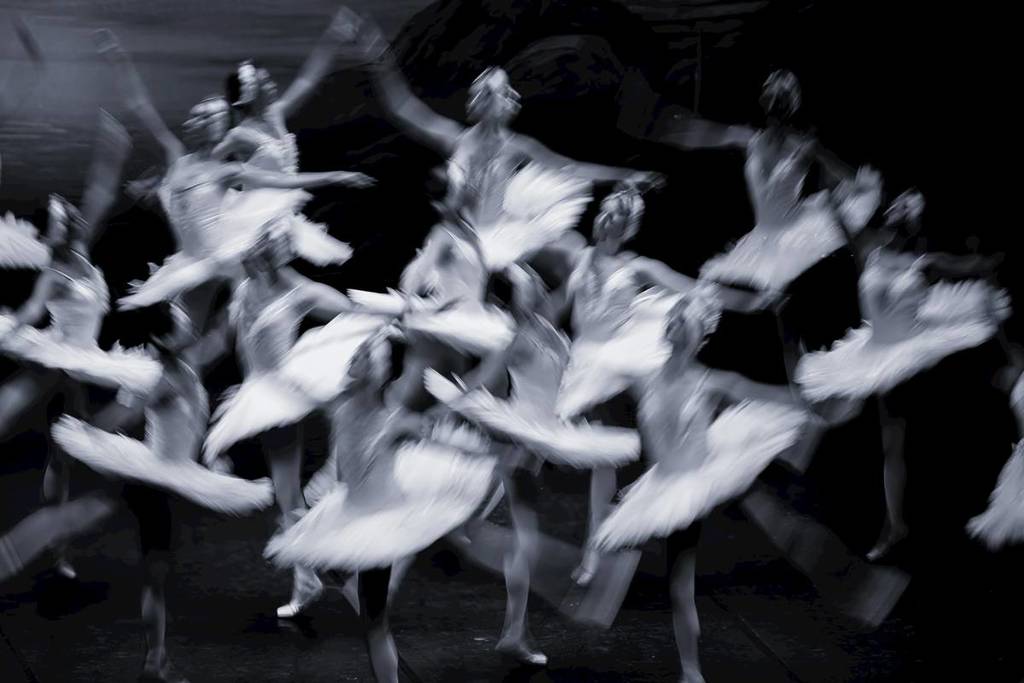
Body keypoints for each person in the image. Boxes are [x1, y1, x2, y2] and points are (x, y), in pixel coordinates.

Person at [0, 302, 274, 683]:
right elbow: (126, 413)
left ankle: (155, 662)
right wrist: (88, 430)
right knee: (88, 525)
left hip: (167, 473)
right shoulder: (161, 377)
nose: (185, 320)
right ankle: (155, 660)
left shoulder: (183, 362)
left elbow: (217, 340)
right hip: (149, 476)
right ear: (162, 338)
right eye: (178, 320)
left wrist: (238, 302)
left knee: (153, 568)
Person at [594, 287, 816, 683]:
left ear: (701, 335)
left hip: (693, 482)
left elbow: (776, 398)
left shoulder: (712, 381)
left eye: (686, 318)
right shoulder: (644, 379)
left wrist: (794, 352)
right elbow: (600, 376)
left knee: (681, 578)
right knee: (674, 579)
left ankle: (691, 671)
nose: (676, 322)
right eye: (673, 317)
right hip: (661, 485)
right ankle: (689, 669)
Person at [95, 29, 373, 340]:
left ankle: (348, 320)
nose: (271, 87)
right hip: (207, 248)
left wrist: (333, 177)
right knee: (187, 329)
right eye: (203, 116)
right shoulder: (210, 151)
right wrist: (118, 58)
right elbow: (142, 107)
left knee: (272, 292)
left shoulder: (232, 159)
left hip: (238, 238)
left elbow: (278, 178)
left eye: (214, 116)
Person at [266, 334, 498, 683]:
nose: (350, 361)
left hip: (378, 523)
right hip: (348, 509)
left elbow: (438, 436)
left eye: (359, 357)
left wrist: (474, 444)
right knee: (367, 615)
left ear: (374, 371)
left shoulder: (393, 420)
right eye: (354, 355)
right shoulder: (341, 408)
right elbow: (313, 407)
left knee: (374, 622)